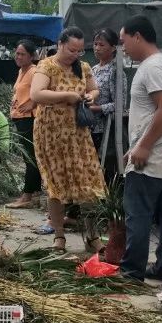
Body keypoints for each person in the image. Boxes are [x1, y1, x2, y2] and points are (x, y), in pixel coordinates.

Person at [119, 16, 162, 282]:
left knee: (138, 212)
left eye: (124, 42)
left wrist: (144, 147)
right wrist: (136, 146)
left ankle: (131, 272)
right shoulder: (158, 64)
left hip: (155, 157)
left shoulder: (153, 67)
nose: (123, 48)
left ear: (138, 36)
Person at [29, 27, 105, 251]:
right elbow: (37, 94)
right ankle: (59, 236)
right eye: (72, 49)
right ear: (60, 44)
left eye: (80, 51)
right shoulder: (46, 65)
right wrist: (67, 96)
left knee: (88, 184)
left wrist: (91, 95)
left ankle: (92, 236)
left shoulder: (83, 67)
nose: (75, 54)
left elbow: (94, 90)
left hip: (78, 135)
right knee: (56, 185)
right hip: (51, 135)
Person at [6, 40, 43, 209]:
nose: (18, 56)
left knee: (30, 158)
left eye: (22, 54)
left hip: (29, 118)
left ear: (31, 56)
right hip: (20, 118)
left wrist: (33, 104)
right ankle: (34, 192)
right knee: (28, 156)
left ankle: (27, 195)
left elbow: (41, 91)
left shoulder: (35, 71)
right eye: (17, 53)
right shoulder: (22, 71)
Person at [90, 27, 127, 187]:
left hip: (106, 129)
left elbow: (120, 104)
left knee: (107, 168)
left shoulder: (116, 71)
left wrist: (98, 109)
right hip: (90, 126)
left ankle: (111, 204)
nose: (97, 48)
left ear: (113, 48)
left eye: (102, 45)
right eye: (95, 44)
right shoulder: (93, 70)